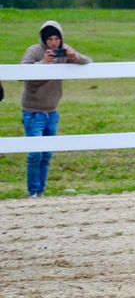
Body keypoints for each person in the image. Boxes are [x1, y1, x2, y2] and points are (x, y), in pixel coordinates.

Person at [20, 20, 91, 198]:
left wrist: (75, 57)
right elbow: (21, 73)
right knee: (35, 154)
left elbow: (88, 61)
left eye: (56, 38)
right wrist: (43, 63)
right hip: (33, 110)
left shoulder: (64, 50)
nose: (54, 42)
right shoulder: (34, 51)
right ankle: (32, 191)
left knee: (46, 154)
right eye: (50, 39)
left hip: (52, 111)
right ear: (44, 40)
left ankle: (41, 191)